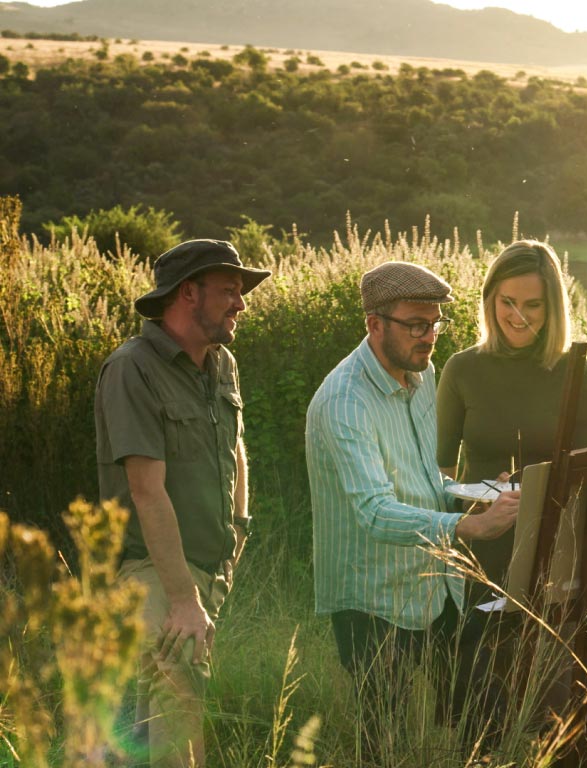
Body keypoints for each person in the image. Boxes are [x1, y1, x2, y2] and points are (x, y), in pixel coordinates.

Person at [306, 261, 520, 764]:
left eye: (436, 323)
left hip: (434, 584)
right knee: (384, 744)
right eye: (416, 325)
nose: (430, 337)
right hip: (372, 600)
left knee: (482, 714)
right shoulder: (344, 403)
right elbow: (376, 512)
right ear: (374, 324)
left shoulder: (421, 383)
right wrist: (468, 526)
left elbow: (428, 483)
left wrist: (481, 492)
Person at [95, 239, 270, 768]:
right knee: (178, 707)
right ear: (187, 293)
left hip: (207, 570)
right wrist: (182, 598)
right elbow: (147, 492)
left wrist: (238, 529)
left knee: (146, 725)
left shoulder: (222, 363)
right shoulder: (132, 368)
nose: (240, 303)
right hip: (152, 571)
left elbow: (236, 447)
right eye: (228, 291)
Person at [436, 240, 587, 607]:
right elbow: (438, 475)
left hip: (554, 547)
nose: (517, 315)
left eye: (533, 304)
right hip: (479, 549)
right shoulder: (461, 369)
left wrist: (536, 491)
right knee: (477, 659)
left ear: (553, 306)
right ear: (489, 299)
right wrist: (468, 514)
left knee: (543, 660)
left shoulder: (573, 369)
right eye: (507, 301)